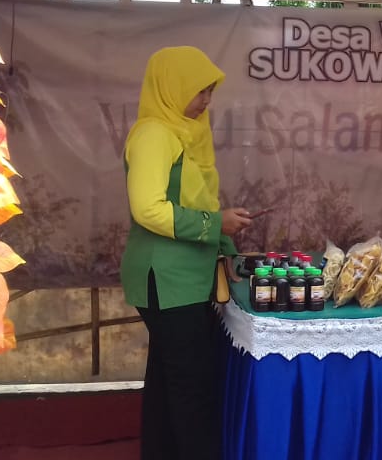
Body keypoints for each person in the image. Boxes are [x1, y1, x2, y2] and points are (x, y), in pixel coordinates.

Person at [120, 46, 258, 460]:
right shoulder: (154, 135)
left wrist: (226, 249)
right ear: (173, 87)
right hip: (166, 279)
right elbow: (148, 209)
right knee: (191, 389)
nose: (206, 101)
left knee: (170, 382)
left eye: (210, 92)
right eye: (200, 91)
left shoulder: (185, 133)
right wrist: (217, 225)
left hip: (185, 278)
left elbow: (201, 202)